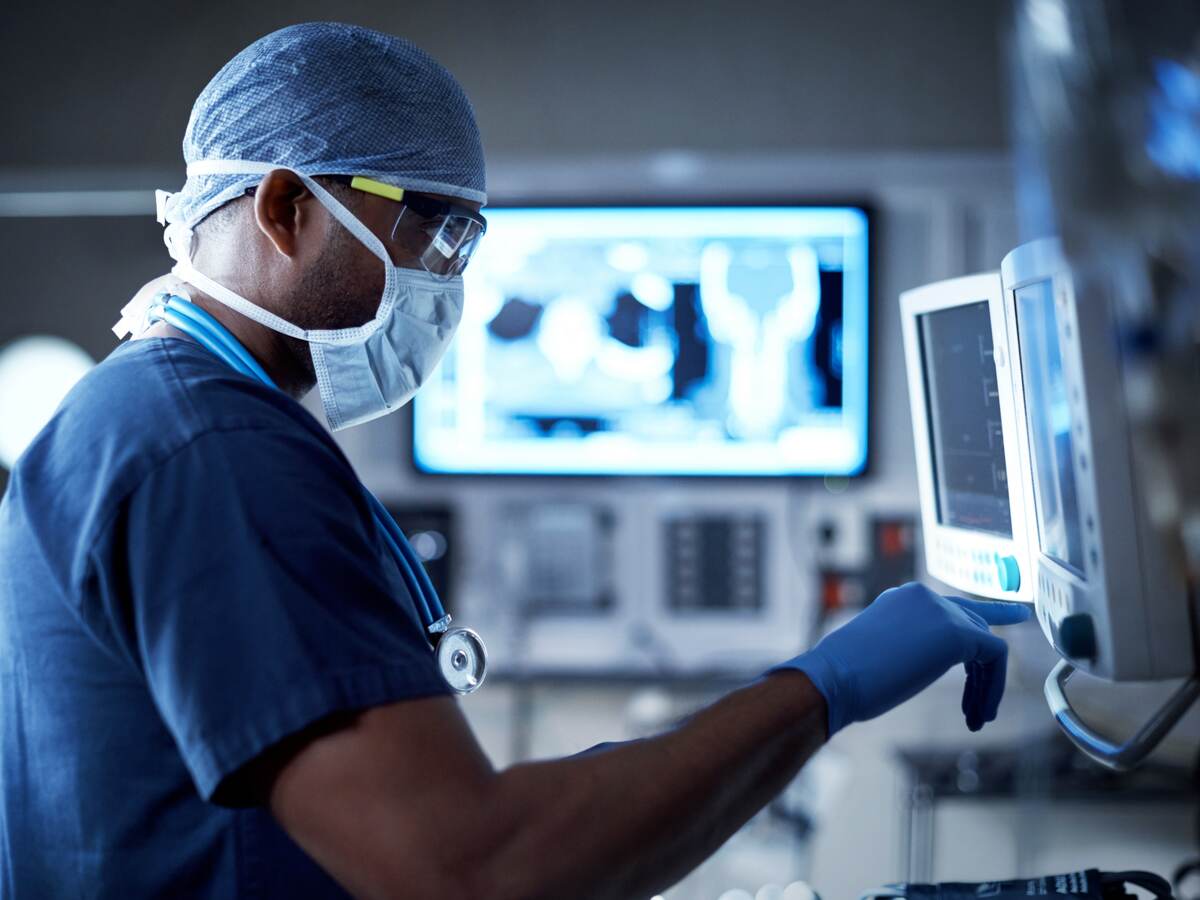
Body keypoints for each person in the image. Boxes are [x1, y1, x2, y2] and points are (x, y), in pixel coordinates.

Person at [0, 22, 1030, 899]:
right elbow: (473, 869)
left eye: (468, 246)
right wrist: (829, 685)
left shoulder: (144, 415)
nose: (451, 287)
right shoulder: (213, 450)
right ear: (285, 208)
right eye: (434, 237)